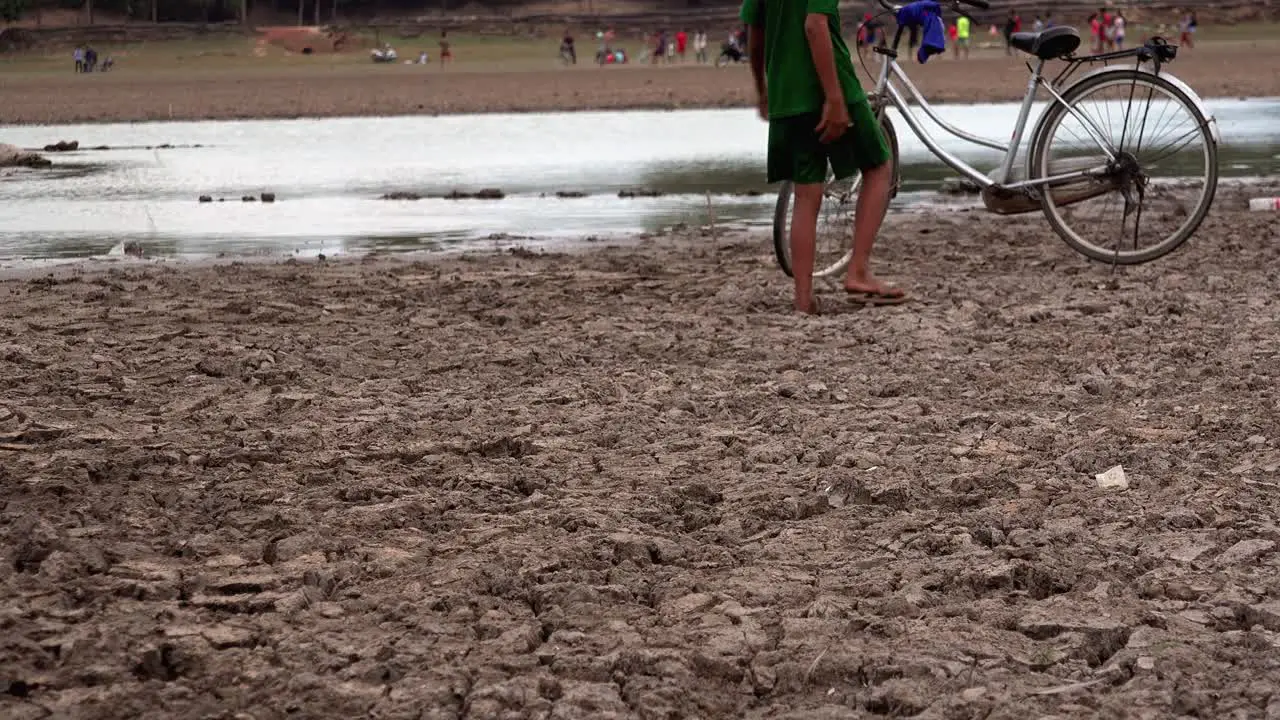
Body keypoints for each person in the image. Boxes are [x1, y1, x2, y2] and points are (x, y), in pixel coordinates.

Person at [741, 0, 904, 314]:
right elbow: (815, 26)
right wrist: (834, 98)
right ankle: (858, 271)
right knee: (879, 165)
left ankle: (803, 299)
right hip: (831, 84)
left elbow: (756, 31)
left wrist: (762, 88)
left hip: (786, 91)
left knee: (806, 192)